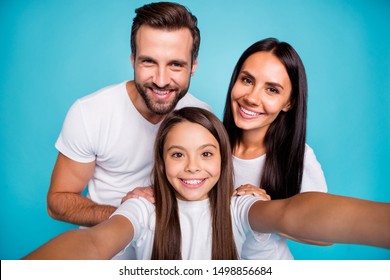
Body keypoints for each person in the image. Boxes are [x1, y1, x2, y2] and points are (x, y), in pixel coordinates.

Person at [22, 107, 390, 260]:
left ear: (223, 160)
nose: (192, 168)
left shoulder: (239, 206)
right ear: (162, 163)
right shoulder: (143, 208)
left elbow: (294, 212)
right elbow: (95, 241)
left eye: (207, 154)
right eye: (178, 154)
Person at [46, 2, 210, 259]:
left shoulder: (203, 117)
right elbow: (58, 202)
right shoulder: (90, 113)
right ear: (133, 59)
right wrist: (130, 213)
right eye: (149, 62)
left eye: (176, 65)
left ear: (194, 65)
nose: (161, 79)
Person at [223, 38, 328, 259]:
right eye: (247, 80)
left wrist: (268, 213)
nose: (251, 98)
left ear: (289, 102)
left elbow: (324, 236)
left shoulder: (298, 157)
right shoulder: (208, 144)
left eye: (271, 89)